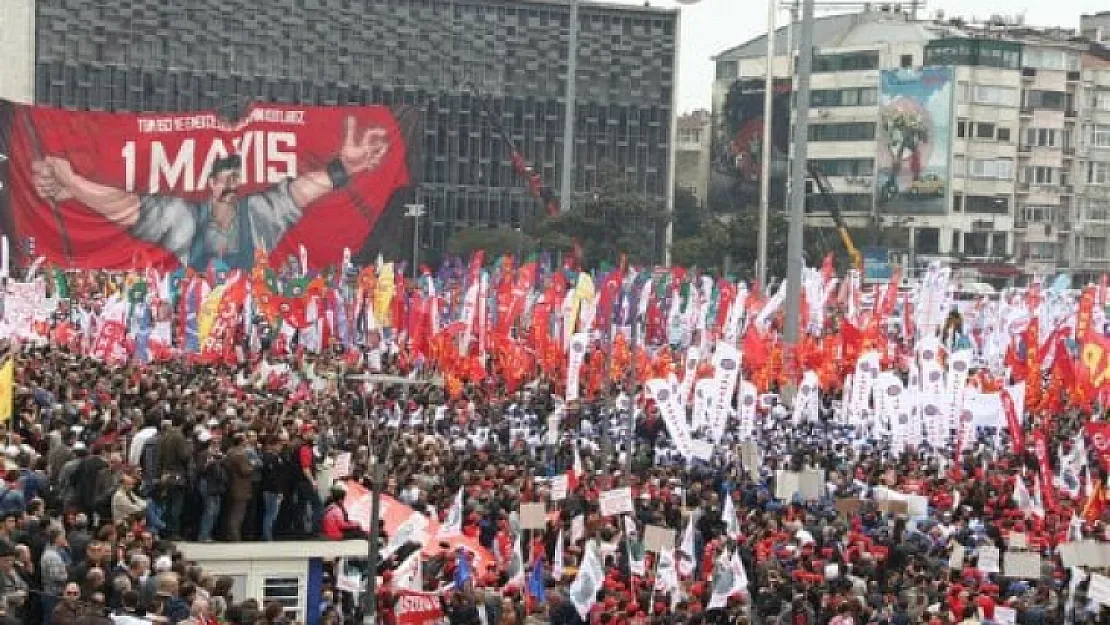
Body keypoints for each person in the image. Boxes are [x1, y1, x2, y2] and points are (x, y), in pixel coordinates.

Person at [31, 118, 390, 270]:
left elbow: (298, 192)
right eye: (224, 181)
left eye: (237, 180)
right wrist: (77, 187)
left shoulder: (259, 216)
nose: (231, 187)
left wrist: (342, 168)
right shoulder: (185, 221)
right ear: (211, 185)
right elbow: (128, 207)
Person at [222, 433, 254, 543]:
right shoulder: (239, 454)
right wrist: (252, 465)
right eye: (245, 439)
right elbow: (245, 470)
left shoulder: (229, 452)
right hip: (240, 487)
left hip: (232, 485)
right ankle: (234, 537)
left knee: (231, 512)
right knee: (238, 513)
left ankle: (229, 535)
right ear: (241, 441)